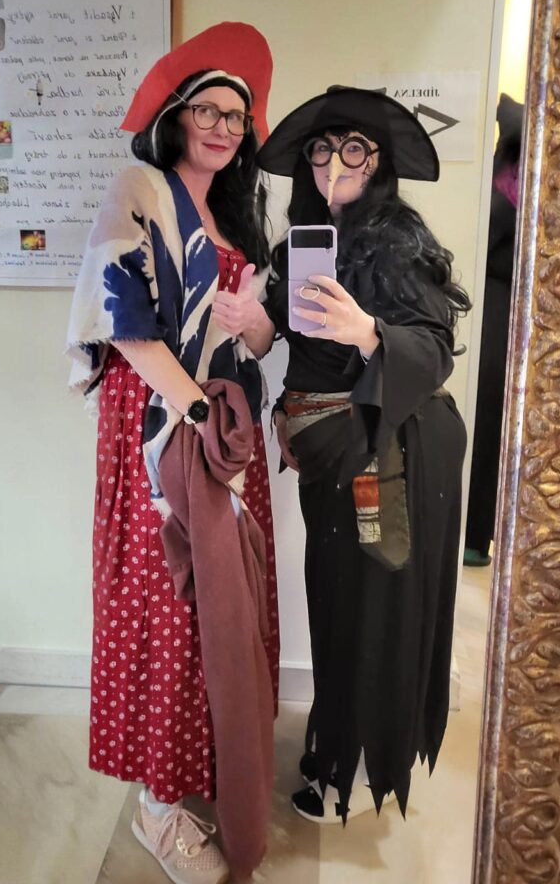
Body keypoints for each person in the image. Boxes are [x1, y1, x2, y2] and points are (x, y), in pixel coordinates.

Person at [218, 86, 470, 823]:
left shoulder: (397, 239)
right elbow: (288, 345)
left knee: (373, 610)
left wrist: (369, 332)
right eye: (322, 150)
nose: (336, 162)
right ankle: (337, 744)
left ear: (378, 161)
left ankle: (359, 775)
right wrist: (253, 326)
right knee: (337, 601)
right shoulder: (305, 241)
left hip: (389, 456)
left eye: (353, 148)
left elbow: (431, 347)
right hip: (333, 458)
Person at [66, 23, 279, 884]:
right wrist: (193, 412)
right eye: (208, 111)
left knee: (218, 613)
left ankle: (206, 771)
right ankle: (157, 806)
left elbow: (258, 342)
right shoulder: (139, 189)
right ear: (176, 117)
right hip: (163, 429)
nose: (223, 127)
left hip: (223, 431)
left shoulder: (240, 215)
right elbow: (121, 323)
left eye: (237, 116)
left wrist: (254, 324)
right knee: (166, 605)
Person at [464, 94, 524, 567]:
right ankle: (474, 534)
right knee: (485, 419)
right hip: (496, 307)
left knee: (488, 419)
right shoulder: (509, 172)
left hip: (502, 310)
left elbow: (490, 230)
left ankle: (475, 533)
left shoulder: (511, 173)